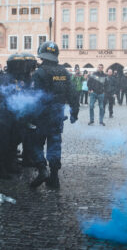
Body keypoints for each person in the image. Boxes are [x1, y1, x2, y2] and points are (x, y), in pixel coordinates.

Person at [30, 41, 79, 188]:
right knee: (55, 145)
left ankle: (42, 169)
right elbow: (73, 94)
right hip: (57, 115)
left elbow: (35, 97)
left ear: (42, 55)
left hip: (42, 116)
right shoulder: (64, 72)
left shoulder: (40, 73)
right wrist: (74, 112)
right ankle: (54, 177)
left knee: (36, 143)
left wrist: (30, 116)